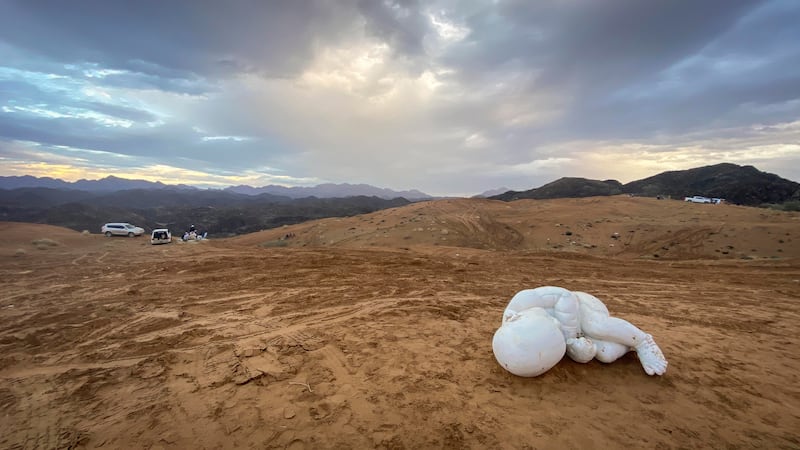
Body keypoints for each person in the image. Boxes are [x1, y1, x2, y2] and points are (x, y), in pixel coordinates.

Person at [502, 286, 667, 376]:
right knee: (605, 355)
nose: (555, 322)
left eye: (551, 323)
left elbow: (563, 295)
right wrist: (581, 352)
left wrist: (568, 334)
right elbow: (568, 349)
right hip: (577, 333)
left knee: (596, 326)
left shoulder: (522, 303)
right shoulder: (520, 343)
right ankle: (626, 342)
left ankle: (642, 341)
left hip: (581, 306)